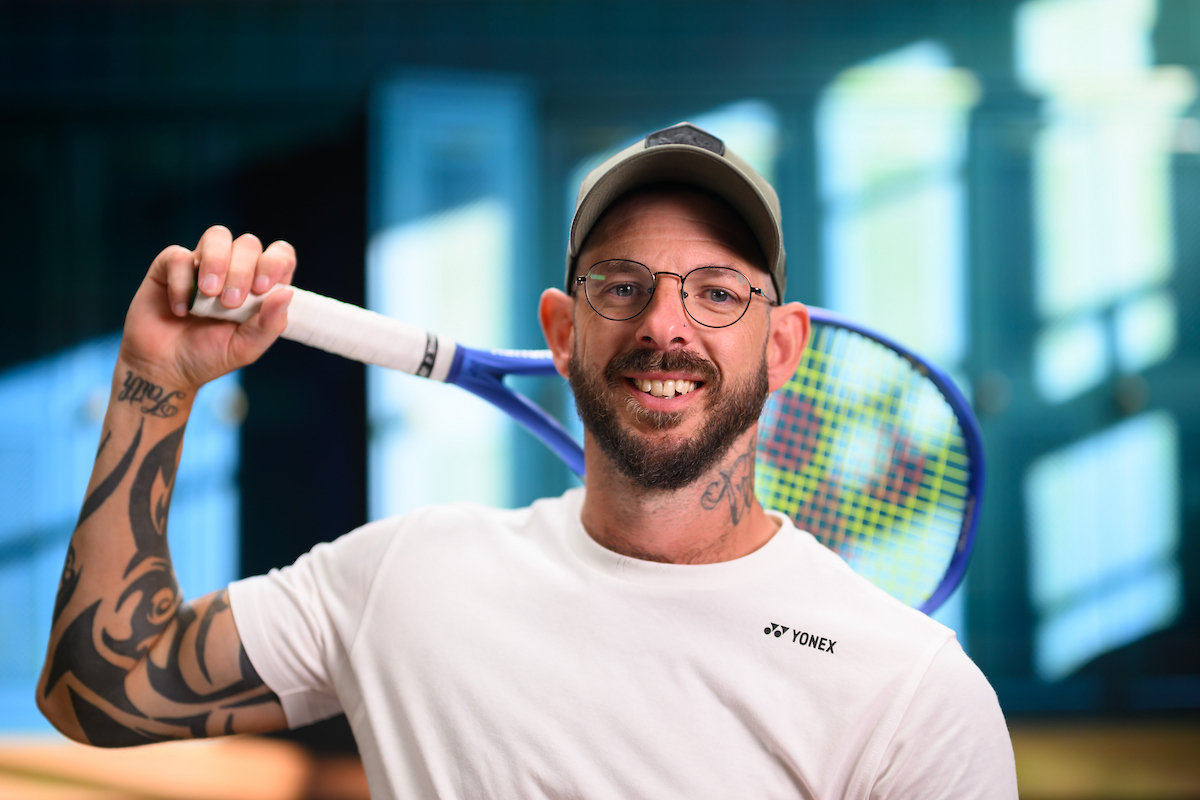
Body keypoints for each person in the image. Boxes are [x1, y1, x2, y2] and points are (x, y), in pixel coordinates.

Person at [38, 122, 1018, 798]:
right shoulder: (404, 578)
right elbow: (99, 686)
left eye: (718, 291)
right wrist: (156, 377)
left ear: (782, 343)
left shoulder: (912, 689)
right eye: (621, 284)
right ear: (562, 328)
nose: (665, 325)